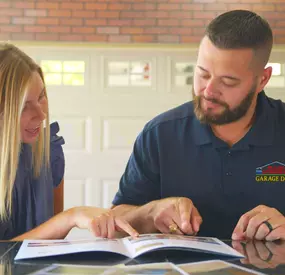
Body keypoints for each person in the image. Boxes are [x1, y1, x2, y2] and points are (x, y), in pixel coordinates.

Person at [112, 10, 285, 241]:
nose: (209, 91)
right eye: (203, 74)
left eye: (228, 81)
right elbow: (115, 221)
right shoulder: (160, 135)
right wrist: (151, 212)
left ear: (262, 80)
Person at [0, 43, 138, 240]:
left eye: (41, 97)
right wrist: (70, 217)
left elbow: (52, 241)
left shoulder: (50, 152)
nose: (41, 114)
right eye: (24, 106)